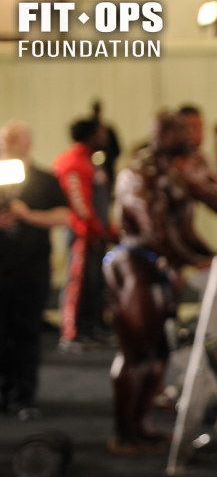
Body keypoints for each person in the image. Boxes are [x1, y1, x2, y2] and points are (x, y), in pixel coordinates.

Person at [102, 112, 217, 454]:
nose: (190, 136)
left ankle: (141, 427)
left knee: (158, 351)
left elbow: (216, 203)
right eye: (181, 131)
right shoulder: (140, 173)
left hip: (157, 266)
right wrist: (197, 259)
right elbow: (155, 230)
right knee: (137, 352)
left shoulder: (175, 170)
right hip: (134, 264)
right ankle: (125, 433)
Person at [0, 120, 70, 420]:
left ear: (29, 142)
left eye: (15, 137)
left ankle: (23, 396)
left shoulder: (45, 179)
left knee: (27, 333)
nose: (9, 143)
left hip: (32, 269)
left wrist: (28, 215)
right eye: (5, 138)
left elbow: (65, 216)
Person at [54, 118, 111, 352]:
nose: (105, 137)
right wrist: (95, 228)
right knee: (77, 284)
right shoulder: (73, 161)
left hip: (94, 235)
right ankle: (71, 334)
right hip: (81, 235)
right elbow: (80, 205)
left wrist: (107, 229)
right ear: (91, 135)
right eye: (101, 132)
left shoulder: (91, 160)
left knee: (93, 284)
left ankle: (89, 328)